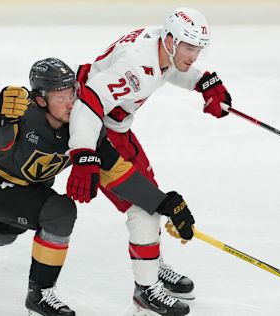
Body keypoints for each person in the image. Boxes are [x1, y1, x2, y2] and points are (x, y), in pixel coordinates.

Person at [0, 57, 197, 316]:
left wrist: (162, 202)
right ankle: (39, 294)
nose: (71, 103)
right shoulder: (22, 114)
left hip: (28, 186)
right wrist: (0, 117)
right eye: (61, 97)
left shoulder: (84, 122)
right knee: (60, 212)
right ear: (39, 99)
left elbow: (117, 171)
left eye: (72, 93)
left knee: (1, 233)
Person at [66, 7, 232, 316]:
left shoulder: (160, 44)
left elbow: (170, 69)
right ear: (170, 40)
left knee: (152, 196)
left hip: (116, 128)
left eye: (199, 48)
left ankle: (151, 264)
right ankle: (145, 290)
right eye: (189, 47)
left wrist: (204, 83)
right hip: (94, 129)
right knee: (144, 207)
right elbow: (90, 99)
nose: (194, 56)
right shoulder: (137, 69)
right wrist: (85, 154)